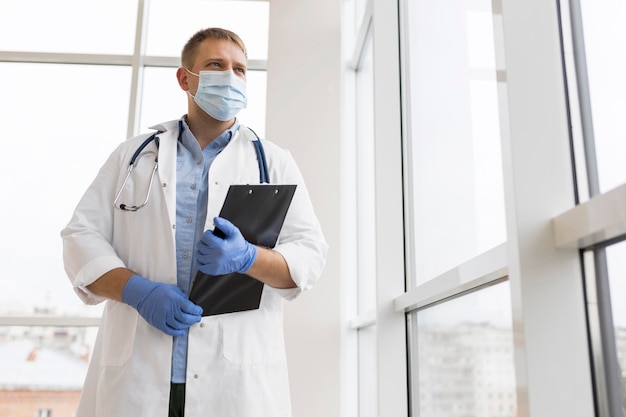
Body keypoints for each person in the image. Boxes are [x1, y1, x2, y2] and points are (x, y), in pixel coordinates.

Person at [61, 27, 328, 417]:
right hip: (140, 377)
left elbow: (309, 258)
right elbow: (79, 238)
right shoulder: (133, 156)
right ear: (185, 78)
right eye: (216, 65)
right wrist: (138, 291)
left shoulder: (273, 162)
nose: (231, 76)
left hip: (233, 384)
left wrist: (248, 258)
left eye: (240, 69)